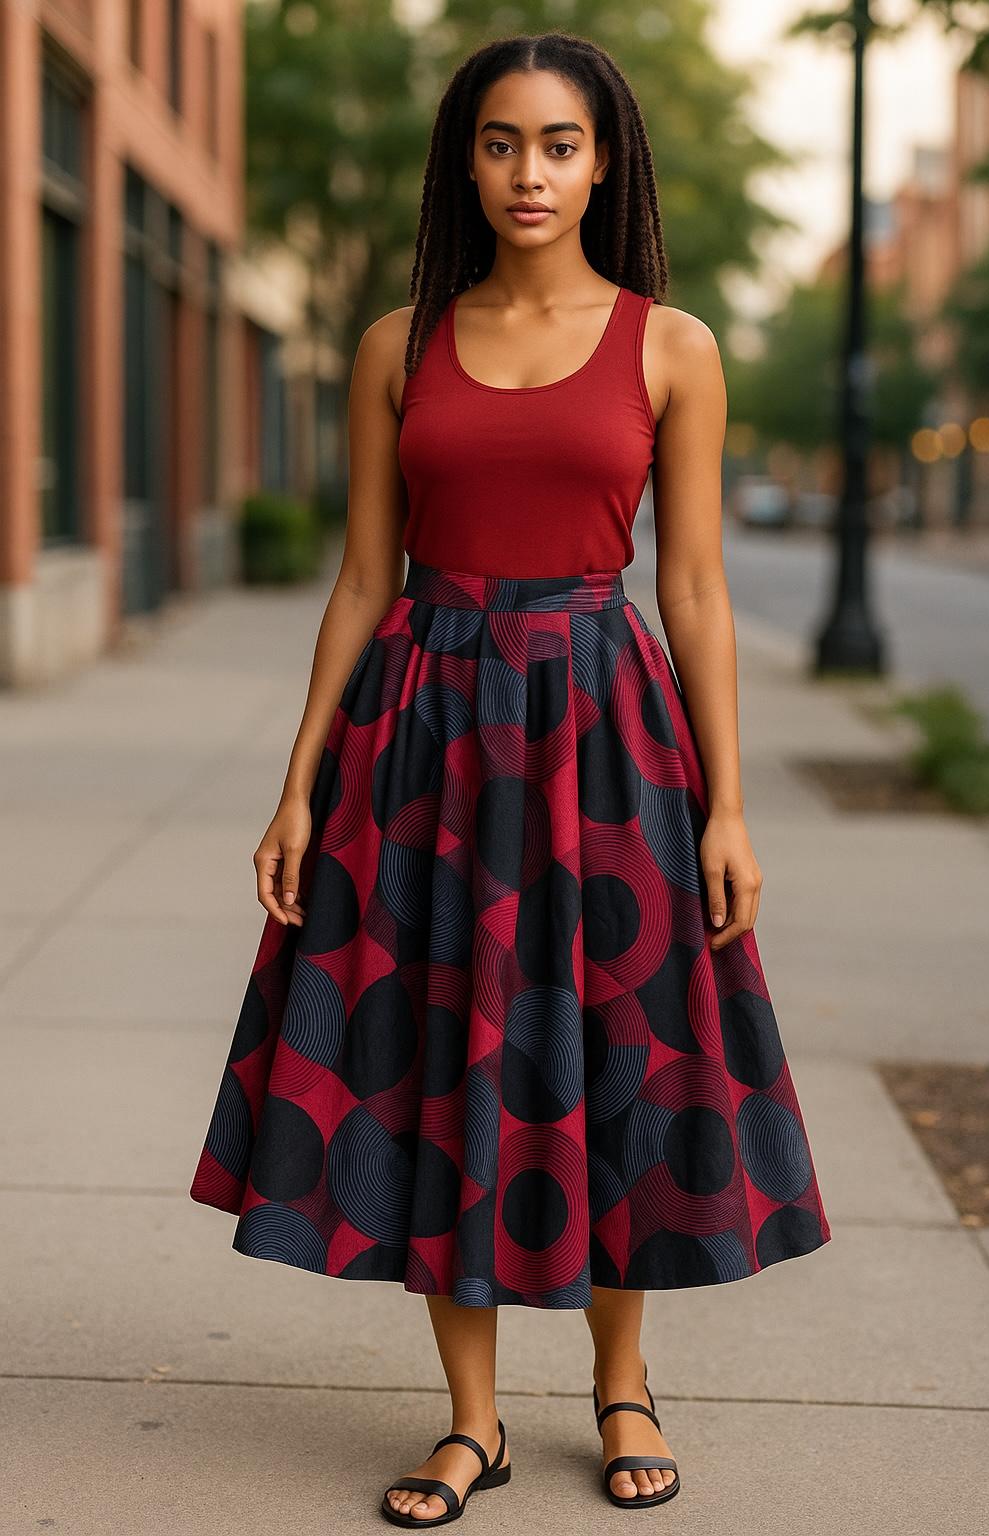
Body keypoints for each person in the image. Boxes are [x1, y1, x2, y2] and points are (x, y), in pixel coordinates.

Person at [189, 30, 832, 1527]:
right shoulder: (395, 345)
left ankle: (623, 1382)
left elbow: (696, 589)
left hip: (606, 737)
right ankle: (470, 1420)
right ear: (464, 163)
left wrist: (730, 806)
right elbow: (364, 578)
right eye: (499, 142)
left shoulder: (670, 347)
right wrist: (299, 785)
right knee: (442, 1055)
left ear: (604, 165)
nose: (528, 172)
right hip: (424, 736)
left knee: (615, 1048)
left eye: (558, 144)